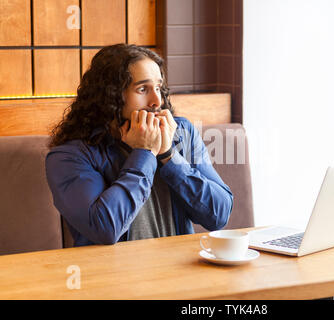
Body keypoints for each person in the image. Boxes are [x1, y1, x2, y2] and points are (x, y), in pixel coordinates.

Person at [46, 44, 233, 247]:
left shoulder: (182, 132)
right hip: (113, 277)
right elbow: (105, 228)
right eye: (142, 89)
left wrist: (168, 155)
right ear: (111, 96)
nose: (156, 101)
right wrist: (144, 153)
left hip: (180, 272)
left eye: (159, 88)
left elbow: (219, 215)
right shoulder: (69, 156)